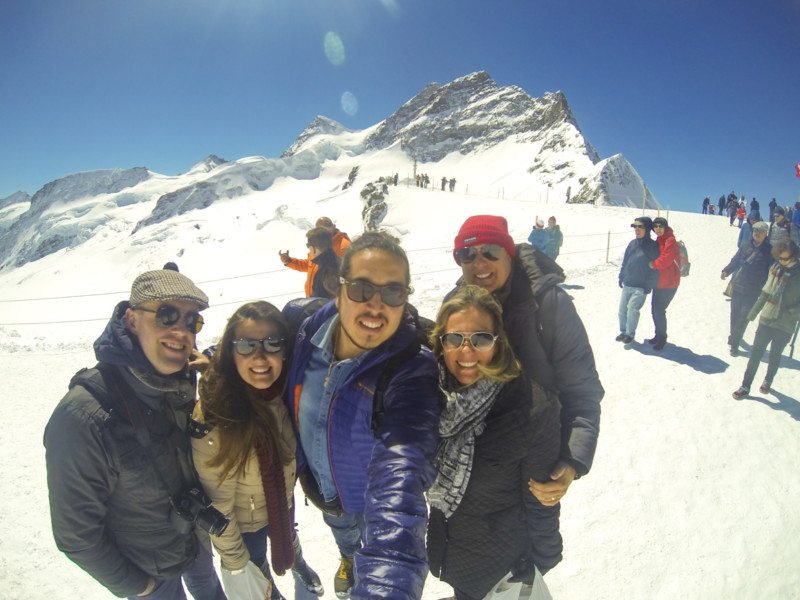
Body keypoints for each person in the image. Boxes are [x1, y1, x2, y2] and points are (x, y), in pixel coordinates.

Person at [43, 269, 226, 600]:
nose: (181, 331)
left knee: (209, 589)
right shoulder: (83, 416)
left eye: (192, 321)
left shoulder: (180, 377)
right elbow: (77, 536)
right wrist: (139, 587)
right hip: (148, 571)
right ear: (131, 319)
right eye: (167, 315)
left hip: (194, 537)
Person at [286, 231, 441, 599]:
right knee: (340, 528)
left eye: (393, 292)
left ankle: (359, 566)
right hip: (321, 487)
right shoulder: (306, 329)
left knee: (368, 536)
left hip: (369, 502)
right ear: (338, 289)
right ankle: (348, 557)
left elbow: (401, 478)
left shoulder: (411, 370)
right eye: (361, 288)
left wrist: (385, 586)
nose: (375, 305)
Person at [448, 215, 603, 506]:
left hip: (532, 476)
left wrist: (572, 459)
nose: (479, 263)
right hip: (465, 478)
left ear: (509, 254)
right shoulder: (455, 304)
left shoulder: (547, 304)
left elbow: (582, 391)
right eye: (466, 254)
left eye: (490, 252)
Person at [426, 285, 562, 600]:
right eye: (454, 338)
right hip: (450, 551)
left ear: (498, 342)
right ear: (441, 343)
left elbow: (541, 499)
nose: (466, 352)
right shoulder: (433, 395)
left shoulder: (531, 407)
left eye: (481, 339)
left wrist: (540, 564)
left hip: (503, 566)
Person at [192, 301, 323, 600]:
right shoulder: (217, 415)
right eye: (246, 345)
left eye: (272, 343)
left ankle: (298, 563)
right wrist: (237, 564)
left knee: (288, 536)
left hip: (280, 502)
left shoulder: (284, 392)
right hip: (244, 526)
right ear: (231, 352)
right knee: (260, 575)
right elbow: (218, 507)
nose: (260, 357)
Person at [732, 239, 800, 398]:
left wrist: (792, 312)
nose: (782, 261)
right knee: (756, 354)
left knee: (775, 355)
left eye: (786, 258)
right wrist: (752, 314)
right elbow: (765, 293)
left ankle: (768, 380)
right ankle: (745, 385)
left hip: (786, 323)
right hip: (767, 318)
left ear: (794, 255)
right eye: (780, 258)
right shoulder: (775, 269)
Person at [721, 221, 772, 356]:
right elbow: (735, 260)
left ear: (766, 233)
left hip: (754, 290)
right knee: (735, 314)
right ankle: (734, 335)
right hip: (738, 285)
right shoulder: (745, 246)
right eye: (755, 231)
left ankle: (735, 344)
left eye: (760, 231)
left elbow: (771, 271)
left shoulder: (770, 251)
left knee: (744, 317)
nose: (757, 233)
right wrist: (726, 271)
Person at [617, 217, 659, 344]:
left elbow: (656, 268)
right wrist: (621, 276)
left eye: (640, 227)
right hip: (628, 283)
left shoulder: (652, 246)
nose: (637, 229)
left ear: (647, 229)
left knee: (632, 309)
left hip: (640, 286)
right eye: (635, 226)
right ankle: (623, 332)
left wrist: (649, 285)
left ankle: (629, 334)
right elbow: (625, 261)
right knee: (622, 311)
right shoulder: (632, 244)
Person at [646, 217, 681, 350]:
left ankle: (662, 338)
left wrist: (653, 264)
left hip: (669, 283)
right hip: (660, 282)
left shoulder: (670, 240)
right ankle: (658, 335)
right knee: (655, 310)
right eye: (655, 226)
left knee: (659, 311)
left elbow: (666, 259)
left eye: (661, 226)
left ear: (665, 227)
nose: (658, 229)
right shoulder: (660, 239)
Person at [279, 227, 340, 299]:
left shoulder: (323, 272)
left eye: (308, 245)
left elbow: (319, 302)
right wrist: (289, 261)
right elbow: (307, 265)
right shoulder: (337, 261)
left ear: (313, 248)